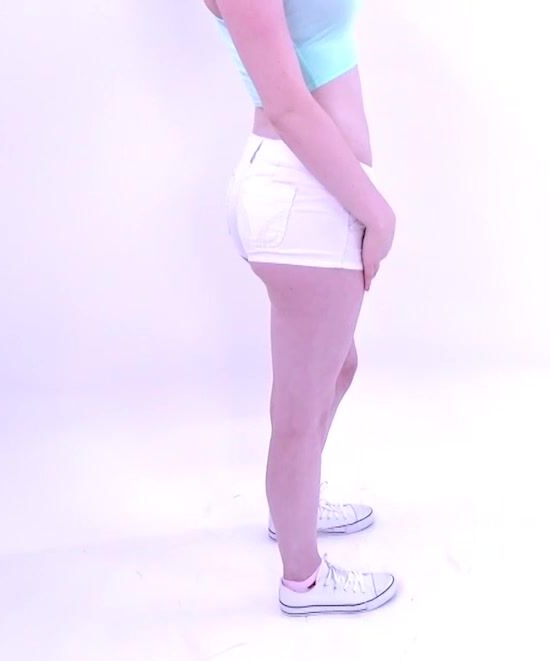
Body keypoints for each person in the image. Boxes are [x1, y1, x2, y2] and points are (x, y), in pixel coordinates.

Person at [204, 0, 398, 615]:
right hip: (301, 193)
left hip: (308, 187)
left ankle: (295, 504)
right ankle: (303, 578)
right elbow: (288, 107)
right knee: (299, 407)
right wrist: (376, 212)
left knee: (337, 368)